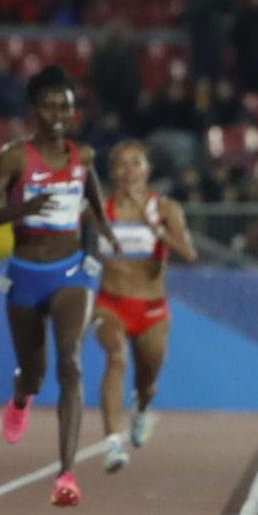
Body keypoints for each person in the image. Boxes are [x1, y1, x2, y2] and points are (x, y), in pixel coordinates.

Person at [0, 64, 120, 508]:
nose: (59, 112)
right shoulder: (16, 156)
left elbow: (93, 194)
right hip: (25, 273)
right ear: (34, 110)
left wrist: (103, 234)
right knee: (35, 372)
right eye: (49, 105)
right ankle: (21, 396)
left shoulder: (84, 157)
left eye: (65, 105)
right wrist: (25, 209)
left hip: (71, 274)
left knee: (72, 364)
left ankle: (66, 474)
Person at [92, 140, 197, 471]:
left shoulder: (165, 208)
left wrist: (154, 228)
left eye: (136, 163)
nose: (129, 171)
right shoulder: (100, 209)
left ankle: (141, 409)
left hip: (152, 310)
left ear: (147, 170)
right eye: (122, 165)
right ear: (113, 172)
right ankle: (112, 443)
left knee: (146, 382)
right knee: (116, 357)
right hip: (110, 303)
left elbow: (189, 253)